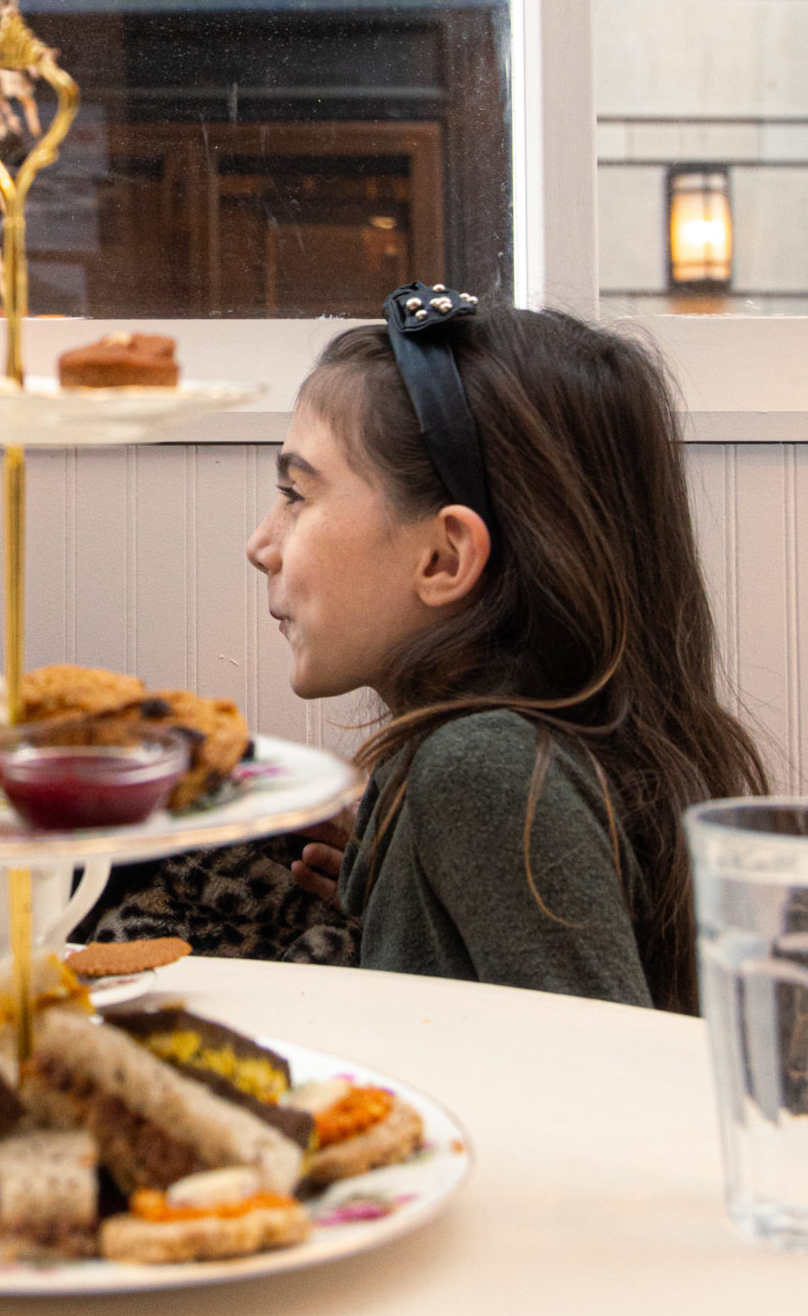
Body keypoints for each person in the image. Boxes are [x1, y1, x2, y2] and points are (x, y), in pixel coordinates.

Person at [100, 288, 767, 1011]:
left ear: (444, 559)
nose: (260, 545)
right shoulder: (481, 769)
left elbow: (599, 1080)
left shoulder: (482, 766)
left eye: (295, 494)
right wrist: (394, 874)